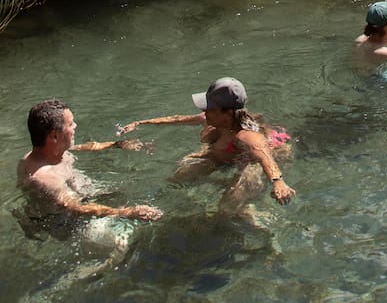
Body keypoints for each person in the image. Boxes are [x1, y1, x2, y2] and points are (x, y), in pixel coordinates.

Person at [117, 77, 295, 210]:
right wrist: (140, 123)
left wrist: (278, 182)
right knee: (178, 177)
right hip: (223, 155)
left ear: (227, 113)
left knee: (227, 206)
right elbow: (177, 120)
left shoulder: (246, 137)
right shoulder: (211, 118)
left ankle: (248, 214)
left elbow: (264, 156)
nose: (203, 111)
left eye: (209, 107)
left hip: (252, 162)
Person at [17, 99, 162, 239]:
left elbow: (80, 147)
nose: (76, 126)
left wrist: (116, 144)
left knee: (127, 194)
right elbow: (75, 207)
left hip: (83, 198)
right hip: (69, 222)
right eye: (71, 123)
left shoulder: (53, 151)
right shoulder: (45, 178)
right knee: (122, 243)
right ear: (54, 135)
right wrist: (127, 212)